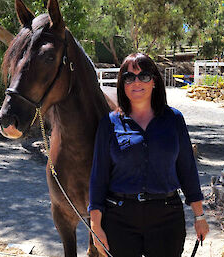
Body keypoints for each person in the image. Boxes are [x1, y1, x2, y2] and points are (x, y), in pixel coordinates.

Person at [88, 53, 209, 257]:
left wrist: (200, 217)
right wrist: (95, 225)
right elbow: (98, 178)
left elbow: (187, 170)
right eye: (129, 77)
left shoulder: (174, 120)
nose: (136, 82)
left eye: (143, 76)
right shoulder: (109, 124)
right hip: (119, 219)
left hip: (167, 218)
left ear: (154, 81)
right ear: (122, 84)